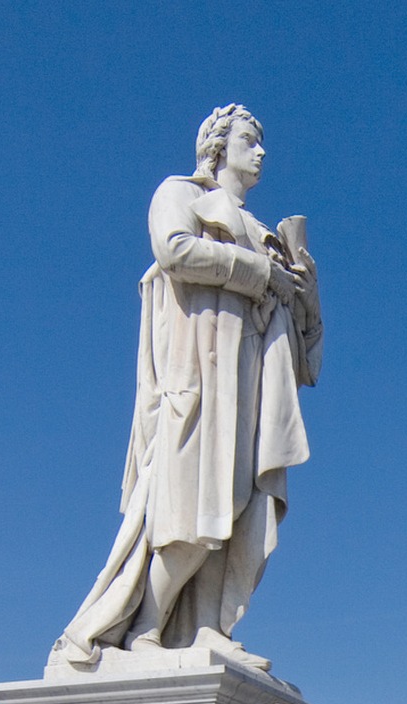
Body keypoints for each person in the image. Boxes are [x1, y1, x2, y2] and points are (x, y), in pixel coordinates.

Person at [56, 105, 321, 672]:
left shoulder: (267, 235)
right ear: (218, 147)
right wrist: (258, 272)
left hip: (248, 382)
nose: (262, 152)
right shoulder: (179, 192)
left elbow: (306, 352)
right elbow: (173, 250)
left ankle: (206, 625)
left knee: (237, 504)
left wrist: (302, 285)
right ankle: (146, 627)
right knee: (189, 508)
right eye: (251, 140)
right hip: (199, 375)